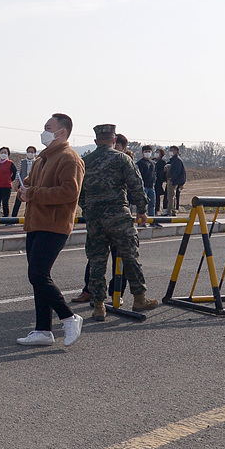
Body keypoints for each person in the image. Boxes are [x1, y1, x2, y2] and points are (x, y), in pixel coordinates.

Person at [15, 113, 84, 346]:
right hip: (35, 223)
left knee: (38, 274)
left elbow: (69, 192)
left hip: (54, 225)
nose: (43, 132)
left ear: (61, 132)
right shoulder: (42, 160)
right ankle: (43, 330)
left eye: (48, 127)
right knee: (37, 277)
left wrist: (32, 193)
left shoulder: (70, 158)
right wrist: (23, 190)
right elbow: (31, 186)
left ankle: (69, 317)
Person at [79, 124, 159, 321]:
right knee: (130, 256)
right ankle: (139, 298)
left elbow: (78, 190)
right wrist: (142, 210)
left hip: (95, 218)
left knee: (97, 261)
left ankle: (98, 306)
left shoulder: (85, 161)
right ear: (114, 140)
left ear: (96, 140)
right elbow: (136, 185)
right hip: (118, 215)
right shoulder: (122, 158)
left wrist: (87, 209)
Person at [11, 146, 37, 217]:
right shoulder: (22, 162)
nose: (30, 153)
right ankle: (13, 218)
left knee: (29, 203)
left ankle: (27, 218)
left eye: (32, 152)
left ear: (35, 153)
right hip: (22, 184)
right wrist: (16, 183)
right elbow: (18, 173)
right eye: (29, 151)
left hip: (32, 185)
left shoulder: (37, 162)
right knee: (17, 202)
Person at [0, 146, 17, 218]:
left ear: (8, 154)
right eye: (2, 152)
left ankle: (6, 217)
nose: (3, 154)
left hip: (6, 186)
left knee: (5, 202)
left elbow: (15, 172)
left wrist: (10, 179)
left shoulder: (10, 163)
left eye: (5, 152)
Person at [164, 146, 186, 215]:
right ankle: (173, 210)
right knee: (172, 196)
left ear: (176, 151)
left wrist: (171, 179)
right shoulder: (173, 159)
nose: (170, 152)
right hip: (174, 180)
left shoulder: (177, 160)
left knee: (170, 196)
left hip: (173, 181)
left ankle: (169, 211)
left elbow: (177, 172)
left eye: (172, 150)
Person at [137, 144, 157, 218]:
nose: (147, 153)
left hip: (151, 186)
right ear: (142, 153)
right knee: (142, 205)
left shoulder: (153, 163)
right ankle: (141, 221)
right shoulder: (140, 163)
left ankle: (153, 220)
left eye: (149, 151)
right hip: (143, 186)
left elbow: (155, 174)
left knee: (152, 204)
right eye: (146, 151)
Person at [153, 148, 168, 217]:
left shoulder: (162, 162)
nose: (156, 153)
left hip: (158, 181)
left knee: (157, 195)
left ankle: (156, 209)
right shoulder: (152, 161)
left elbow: (163, 173)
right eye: (156, 152)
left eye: (158, 152)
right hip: (150, 180)